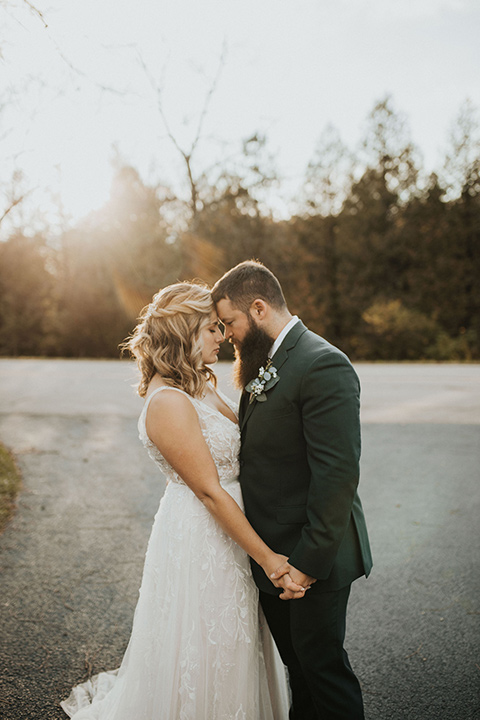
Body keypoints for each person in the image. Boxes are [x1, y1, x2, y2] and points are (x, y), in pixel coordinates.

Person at [60, 282, 302, 720]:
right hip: (205, 538)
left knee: (239, 641)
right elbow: (209, 491)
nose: (222, 336)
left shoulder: (199, 383)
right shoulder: (168, 402)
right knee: (210, 644)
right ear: (185, 333)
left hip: (233, 531)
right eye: (212, 328)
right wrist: (269, 559)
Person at [212, 261, 373, 720]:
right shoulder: (267, 361)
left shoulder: (322, 364)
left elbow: (337, 476)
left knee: (324, 674)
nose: (227, 335)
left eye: (230, 323)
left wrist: (306, 565)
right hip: (274, 557)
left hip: (311, 559)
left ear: (258, 308)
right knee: (299, 673)